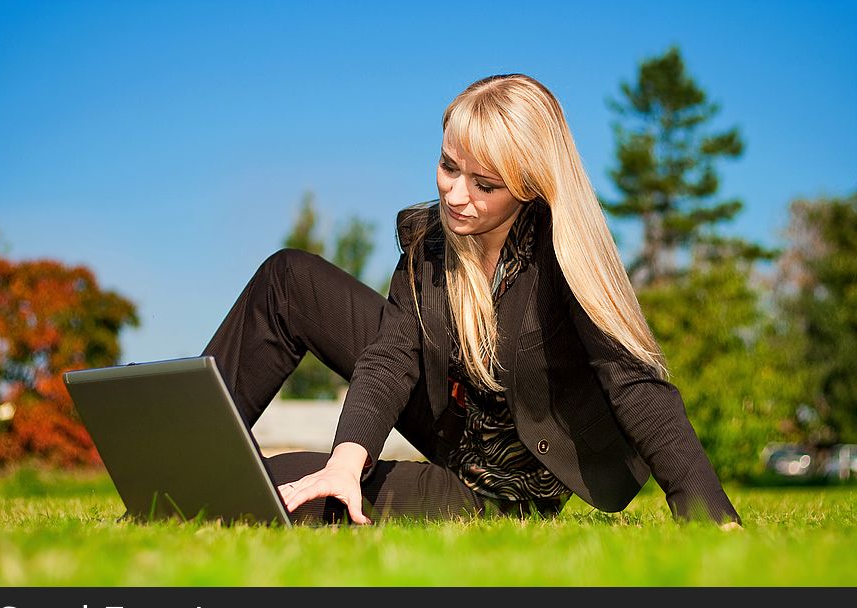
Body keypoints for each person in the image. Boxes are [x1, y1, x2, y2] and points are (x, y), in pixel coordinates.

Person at [202, 73, 743, 530]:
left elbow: (634, 384)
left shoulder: (563, 256)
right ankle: (186, 448)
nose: (456, 195)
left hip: (502, 484)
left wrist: (711, 518)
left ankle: (204, 481)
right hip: (449, 420)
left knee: (261, 487)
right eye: (448, 167)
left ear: (529, 185)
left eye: (485, 184)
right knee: (289, 278)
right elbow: (392, 359)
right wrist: (347, 461)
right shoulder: (429, 242)